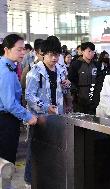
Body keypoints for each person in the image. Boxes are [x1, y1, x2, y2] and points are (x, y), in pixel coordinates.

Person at [24, 38, 71, 186]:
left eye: (57, 55)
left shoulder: (61, 70)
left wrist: (67, 86)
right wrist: (45, 107)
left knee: (53, 148)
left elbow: (63, 91)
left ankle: (50, 177)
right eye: (51, 55)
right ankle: (29, 180)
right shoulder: (35, 72)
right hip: (39, 118)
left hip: (57, 116)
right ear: (43, 54)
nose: (54, 58)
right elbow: (29, 96)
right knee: (35, 149)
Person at [0, 34, 37, 164]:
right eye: (19, 49)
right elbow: (9, 104)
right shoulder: (6, 71)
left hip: (6, 119)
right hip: (5, 121)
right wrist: (28, 117)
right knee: (6, 161)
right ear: (6, 49)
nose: (23, 52)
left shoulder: (7, 65)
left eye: (23, 49)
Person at [68, 42, 102, 113]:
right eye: (89, 51)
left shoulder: (97, 64)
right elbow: (71, 80)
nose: (91, 53)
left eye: (93, 51)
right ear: (83, 51)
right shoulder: (75, 64)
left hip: (94, 98)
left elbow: (99, 80)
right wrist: (75, 94)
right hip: (80, 99)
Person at [21, 38, 44, 106]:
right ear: (36, 53)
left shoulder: (54, 68)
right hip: (34, 109)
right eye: (42, 54)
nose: (45, 57)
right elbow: (23, 89)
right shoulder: (29, 68)